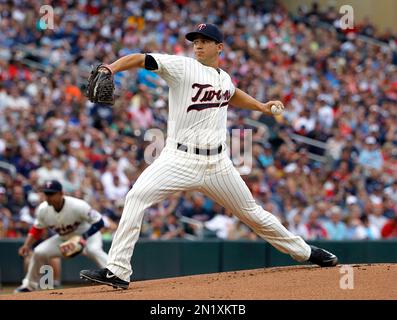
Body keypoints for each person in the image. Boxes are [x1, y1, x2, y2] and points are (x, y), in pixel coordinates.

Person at [80, 23, 338, 290]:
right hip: (178, 159)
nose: (198, 45)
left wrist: (261, 106)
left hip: (218, 165)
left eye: (205, 40)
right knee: (136, 197)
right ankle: (118, 270)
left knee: (252, 214)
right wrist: (110, 68)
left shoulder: (223, 77)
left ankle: (304, 252)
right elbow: (139, 58)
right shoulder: (182, 67)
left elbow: (232, 94)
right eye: (195, 41)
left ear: (219, 47)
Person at [15, 180, 108, 292]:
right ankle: (29, 285)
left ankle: (115, 274)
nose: (48, 197)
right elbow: (37, 229)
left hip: (88, 235)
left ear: (61, 193)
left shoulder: (78, 205)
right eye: (46, 194)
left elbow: (99, 222)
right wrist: (26, 245)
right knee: (39, 252)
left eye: (51, 194)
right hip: (64, 238)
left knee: (93, 250)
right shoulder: (43, 209)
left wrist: (84, 237)